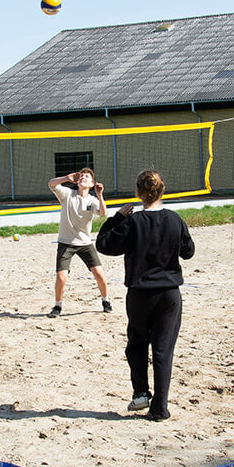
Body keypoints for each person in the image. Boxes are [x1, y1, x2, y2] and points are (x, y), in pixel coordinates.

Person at [96, 170, 195, 421]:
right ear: (162, 191)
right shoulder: (175, 219)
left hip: (140, 294)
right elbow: (188, 252)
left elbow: (104, 244)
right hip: (169, 294)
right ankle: (160, 408)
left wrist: (116, 218)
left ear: (139, 194)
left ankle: (141, 393)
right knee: (163, 350)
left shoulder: (132, 221)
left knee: (137, 344)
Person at [47, 167, 111, 317]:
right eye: (81, 176)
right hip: (66, 242)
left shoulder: (92, 200)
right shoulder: (67, 194)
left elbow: (102, 213)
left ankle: (106, 300)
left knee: (99, 274)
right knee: (61, 276)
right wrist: (66, 178)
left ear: (92, 183)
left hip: (85, 243)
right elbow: (51, 184)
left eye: (87, 177)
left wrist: (100, 195)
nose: (83, 178)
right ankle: (57, 306)